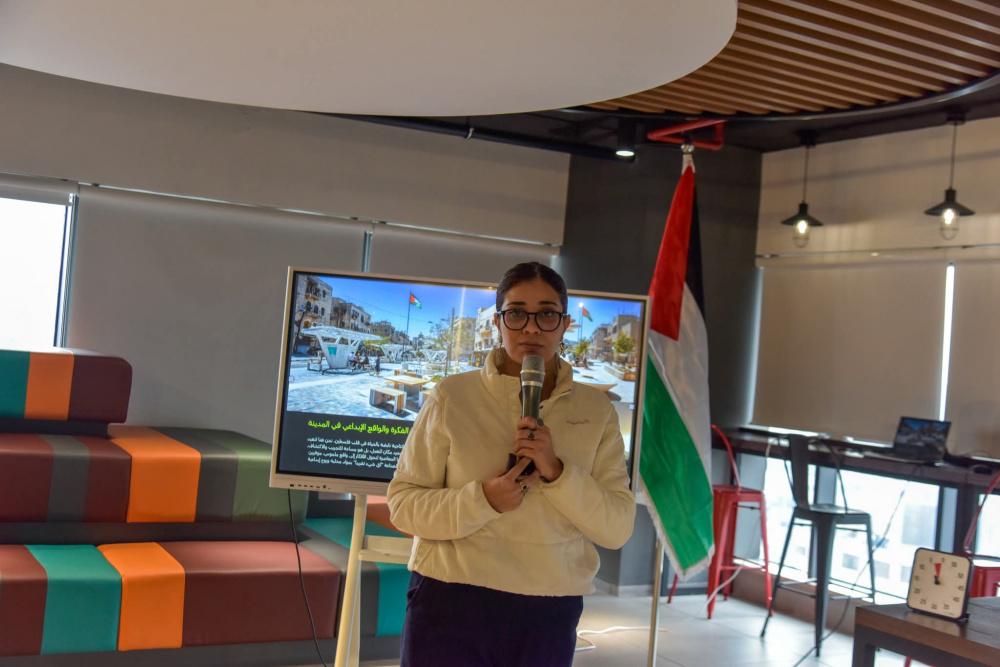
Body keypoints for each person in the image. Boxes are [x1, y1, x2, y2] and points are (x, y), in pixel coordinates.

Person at [387, 261, 635, 667]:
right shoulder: (452, 397)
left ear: (565, 324)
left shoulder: (596, 411)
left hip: (548, 609)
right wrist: (483, 500)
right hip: (449, 598)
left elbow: (617, 527)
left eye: (547, 314)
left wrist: (557, 472)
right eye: (516, 313)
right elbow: (403, 506)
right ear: (498, 322)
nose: (531, 329)